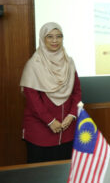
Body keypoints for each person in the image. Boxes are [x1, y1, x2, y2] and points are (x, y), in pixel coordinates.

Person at [20, 22, 82, 163]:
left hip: (67, 128)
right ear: (43, 39)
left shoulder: (69, 62)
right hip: (40, 132)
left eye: (59, 36)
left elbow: (77, 91)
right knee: (41, 175)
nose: (55, 40)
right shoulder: (33, 64)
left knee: (64, 172)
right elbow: (32, 99)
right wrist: (50, 121)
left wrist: (72, 115)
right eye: (50, 37)